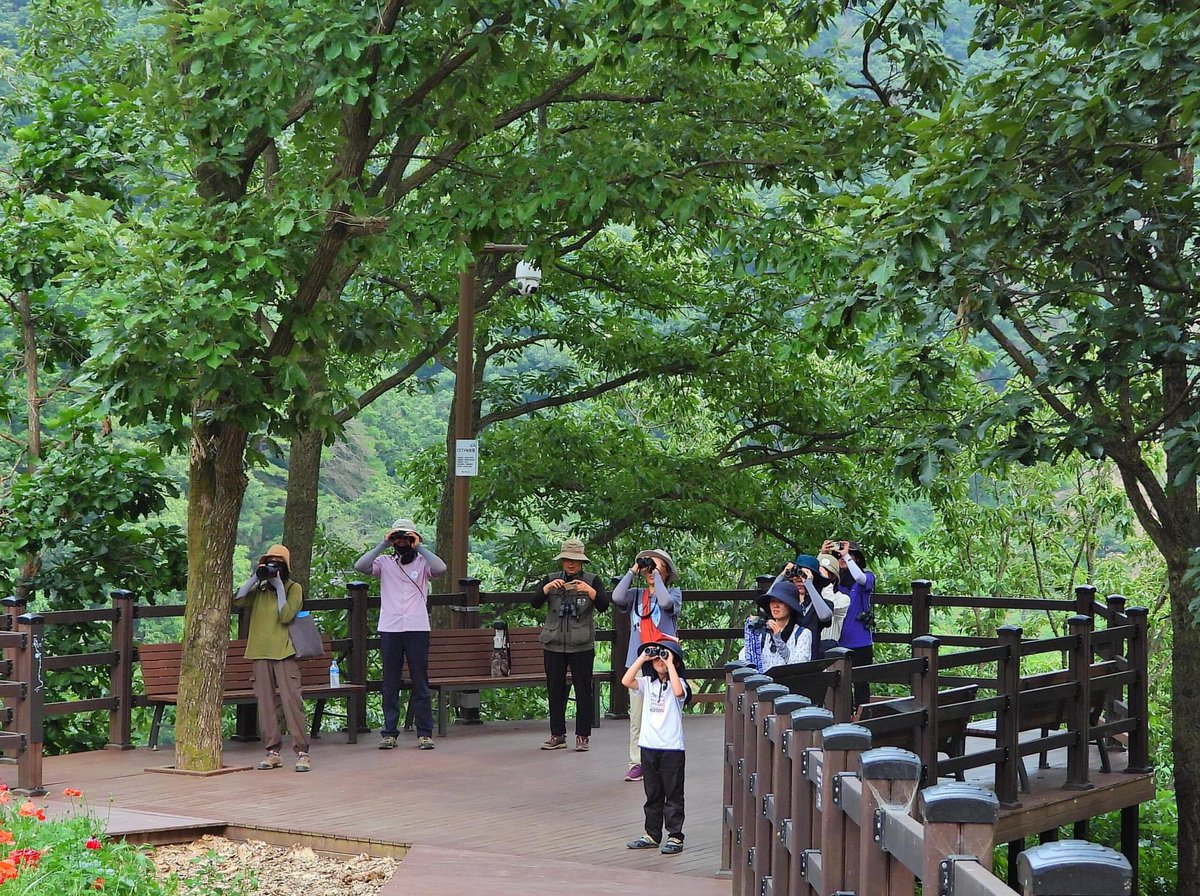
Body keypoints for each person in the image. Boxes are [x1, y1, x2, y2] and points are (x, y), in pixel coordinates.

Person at [354, 518, 447, 750]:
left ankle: (424, 732)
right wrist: (384, 543)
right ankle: (389, 733)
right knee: (390, 681)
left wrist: (420, 546)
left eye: (407, 538)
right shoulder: (385, 562)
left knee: (420, 681)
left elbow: (441, 569)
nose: (403, 542)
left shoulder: (423, 563)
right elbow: (360, 566)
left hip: (417, 627)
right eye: (399, 538)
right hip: (391, 627)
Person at [233, 544, 311, 773]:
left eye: (277, 563)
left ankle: (302, 752)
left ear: (286, 567)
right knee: (266, 704)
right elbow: (237, 601)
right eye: (269, 563)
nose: (273, 567)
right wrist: (254, 578)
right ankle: (272, 751)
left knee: (291, 701)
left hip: (284, 651)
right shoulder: (259, 590)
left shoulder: (294, 588)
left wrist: (279, 588)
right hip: (259, 651)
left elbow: (286, 616)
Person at [530, 538, 610, 752]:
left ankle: (582, 736)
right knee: (555, 690)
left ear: (582, 561)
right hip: (553, 643)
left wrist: (590, 592)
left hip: (581, 644)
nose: (571, 564)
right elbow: (534, 602)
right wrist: (547, 588)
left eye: (575, 560)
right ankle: (557, 735)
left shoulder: (593, 580)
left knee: (583, 690)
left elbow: (604, 605)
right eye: (567, 560)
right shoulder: (551, 579)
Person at [611, 548, 682, 782]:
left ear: (667, 572)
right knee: (638, 714)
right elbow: (616, 597)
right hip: (640, 660)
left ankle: (664, 755)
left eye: (658, 566)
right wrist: (633, 569)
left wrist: (659, 580)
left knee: (666, 711)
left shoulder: (674, 592)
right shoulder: (635, 595)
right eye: (649, 566)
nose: (652, 570)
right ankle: (636, 762)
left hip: (664, 662)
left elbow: (665, 602)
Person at [621, 637, 690, 855]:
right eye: (658, 656)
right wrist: (643, 657)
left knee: (673, 793)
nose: (660, 660)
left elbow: (679, 693)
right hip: (649, 745)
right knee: (653, 793)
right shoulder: (647, 684)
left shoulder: (680, 684)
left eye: (666, 655)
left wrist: (670, 664)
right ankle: (651, 834)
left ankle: (675, 836)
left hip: (672, 747)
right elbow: (626, 680)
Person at [826, 539, 876, 709]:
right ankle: (845, 717)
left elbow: (860, 578)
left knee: (861, 683)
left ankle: (861, 719)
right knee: (841, 685)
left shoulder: (867, 577)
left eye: (849, 555)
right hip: (838, 642)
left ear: (858, 560)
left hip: (860, 641)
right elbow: (817, 577)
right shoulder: (834, 583)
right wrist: (824, 555)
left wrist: (847, 557)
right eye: (839, 555)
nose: (842, 557)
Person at [738, 579, 812, 673]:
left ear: (790, 606)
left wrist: (778, 640)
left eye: (781, 602)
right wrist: (753, 635)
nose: (775, 606)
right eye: (772, 601)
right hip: (763, 686)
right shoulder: (763, 634)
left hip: (789, 686)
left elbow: (799, 666)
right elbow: (743, 658)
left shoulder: (803, 634)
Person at [775, 554, 833, 654]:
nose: (800, 581)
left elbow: (825, 616)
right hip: (786, 659)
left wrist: (809, 584)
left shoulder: (823, 605)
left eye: (803, 577)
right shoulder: (788, 604)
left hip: (811, 660)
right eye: (796, 578)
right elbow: (767, 604)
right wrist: (782, 575)